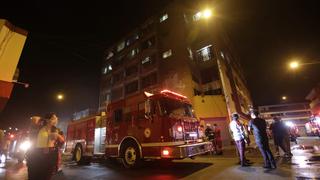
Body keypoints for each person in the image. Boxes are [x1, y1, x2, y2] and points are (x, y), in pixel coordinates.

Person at [27, 113, 64, 180]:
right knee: (34, 176)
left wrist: (58, 137)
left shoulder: (56, 130)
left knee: (46, 176)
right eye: (54, 118)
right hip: (36, 154)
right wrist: (41, 119)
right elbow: (34, 120)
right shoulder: (39, 127)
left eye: (56, 118)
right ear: (48, 120)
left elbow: (61, 142)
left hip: (50, 155)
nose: (56, 120)